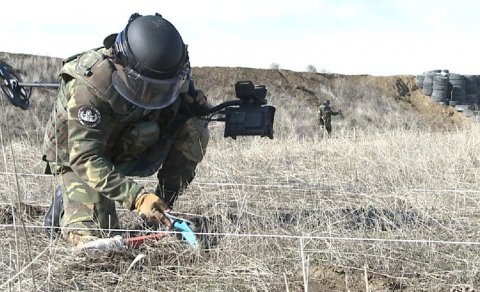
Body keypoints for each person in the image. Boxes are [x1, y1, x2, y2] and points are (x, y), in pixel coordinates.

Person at [42, 13, 210, 248]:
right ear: (122, 65)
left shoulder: (174, 72)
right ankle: (66, 198)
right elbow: (86, 157)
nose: (149, 95)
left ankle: (163, 211)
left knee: (195, 127)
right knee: (98, 241)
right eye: (143, 85)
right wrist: (137, 198)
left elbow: (183, 106)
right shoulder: (90, 85)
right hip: (80, 156)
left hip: (130, 141)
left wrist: (194, 106)